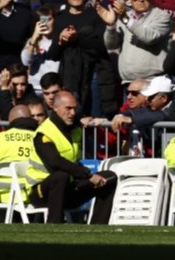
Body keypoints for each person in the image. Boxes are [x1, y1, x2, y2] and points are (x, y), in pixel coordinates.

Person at [26, 91, 117, 224]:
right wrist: (87, 174)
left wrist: (92, 120)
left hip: (68, 188)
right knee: (61, 175)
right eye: (68, 108)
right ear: (55, 108)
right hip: (41, 192)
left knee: (109, 177)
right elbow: (55, 162)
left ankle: (98, 228)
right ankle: (54, 226)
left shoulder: (74, 129)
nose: (73, 113)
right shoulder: (43, 133)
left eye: (74, 108)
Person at [98, 0, 172, 85]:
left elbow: (149, 37)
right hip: (129, 82)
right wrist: (111, 26)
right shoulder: (124, 16)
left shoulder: (161, 16)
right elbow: (111, 45)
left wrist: (126, 20)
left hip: (153, 82)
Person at [0, 105, 38, 211]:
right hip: (32, 195)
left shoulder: (0, 139)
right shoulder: (40, 138)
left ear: (10, 121)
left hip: (0, 196)